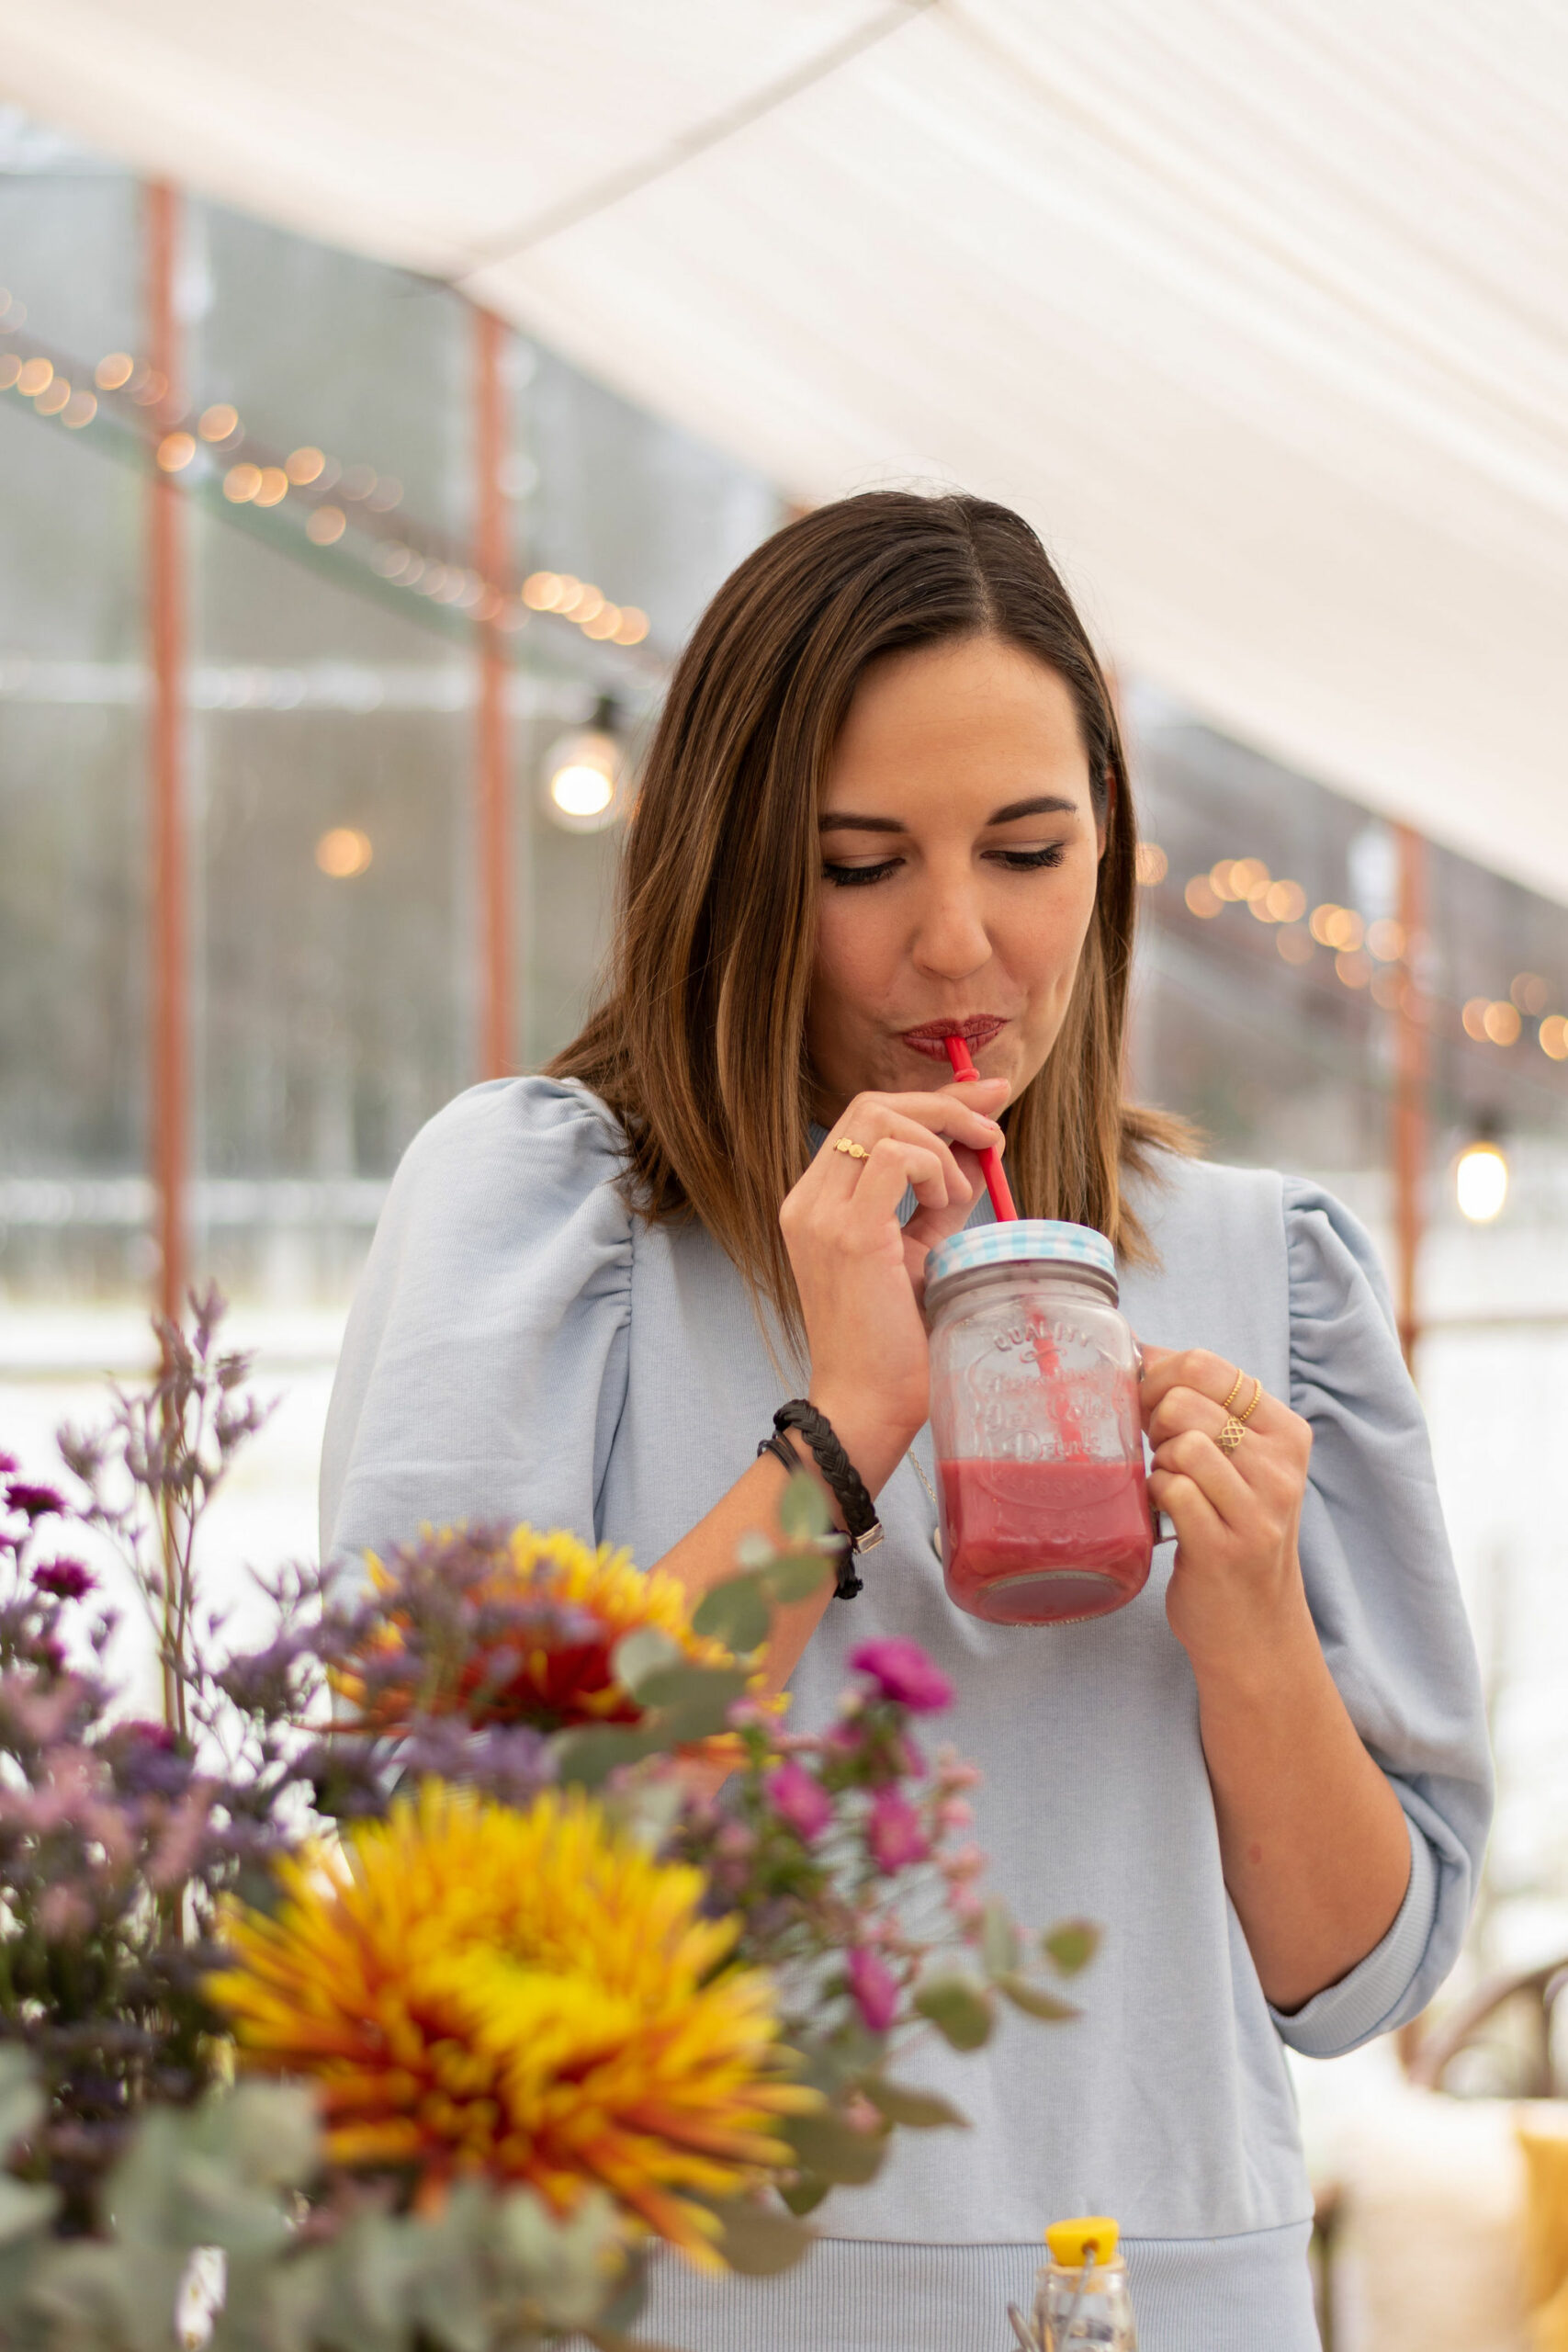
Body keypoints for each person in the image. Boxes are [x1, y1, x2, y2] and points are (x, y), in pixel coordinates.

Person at [320, 492, 1491, 2352]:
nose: (958, 945)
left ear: (1105, 846)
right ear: (729, 868)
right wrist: (839, 1430)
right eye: (858, 863)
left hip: (1171, 2292)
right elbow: (451, 1864)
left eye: (1025, 847)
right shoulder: (558, 1222)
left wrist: (1251, 1612)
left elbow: (1351, 1974)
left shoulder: (1261, 1268)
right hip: (677, 2299)